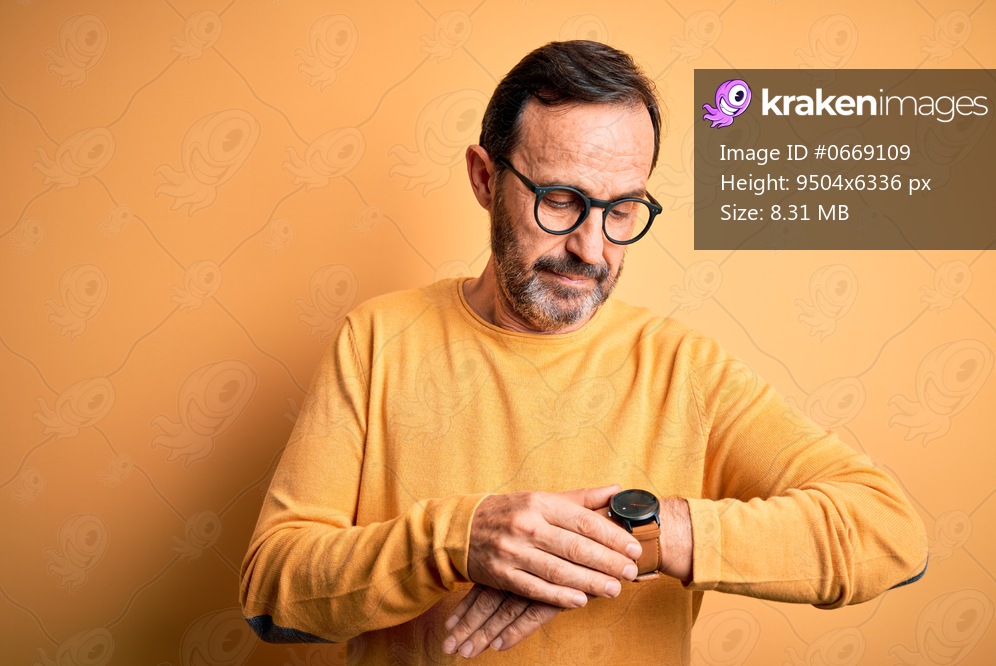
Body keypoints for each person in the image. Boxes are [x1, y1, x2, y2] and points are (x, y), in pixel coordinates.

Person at [240, 40, 927, 664]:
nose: (591, 250)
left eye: (622, 209)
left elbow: (887, 533)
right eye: (560, 200)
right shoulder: (377, 341)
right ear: (485, 179)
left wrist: (640, 537)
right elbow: (273, 592)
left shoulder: (685, 368)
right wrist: (458, 540)